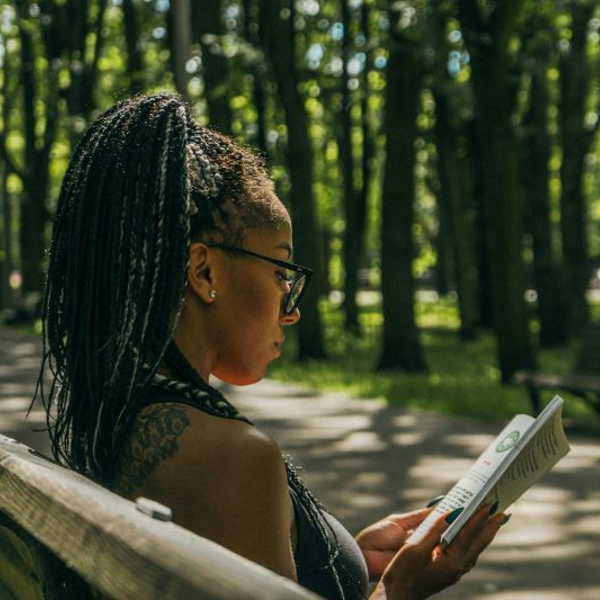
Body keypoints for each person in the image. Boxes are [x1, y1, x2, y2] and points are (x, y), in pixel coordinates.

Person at [35, 93, 505, 599]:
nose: (292, 307)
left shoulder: (117, 416)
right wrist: (400, 591)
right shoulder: (232, 457)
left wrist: (342, 555)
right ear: (204, 271)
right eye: (280, 270)